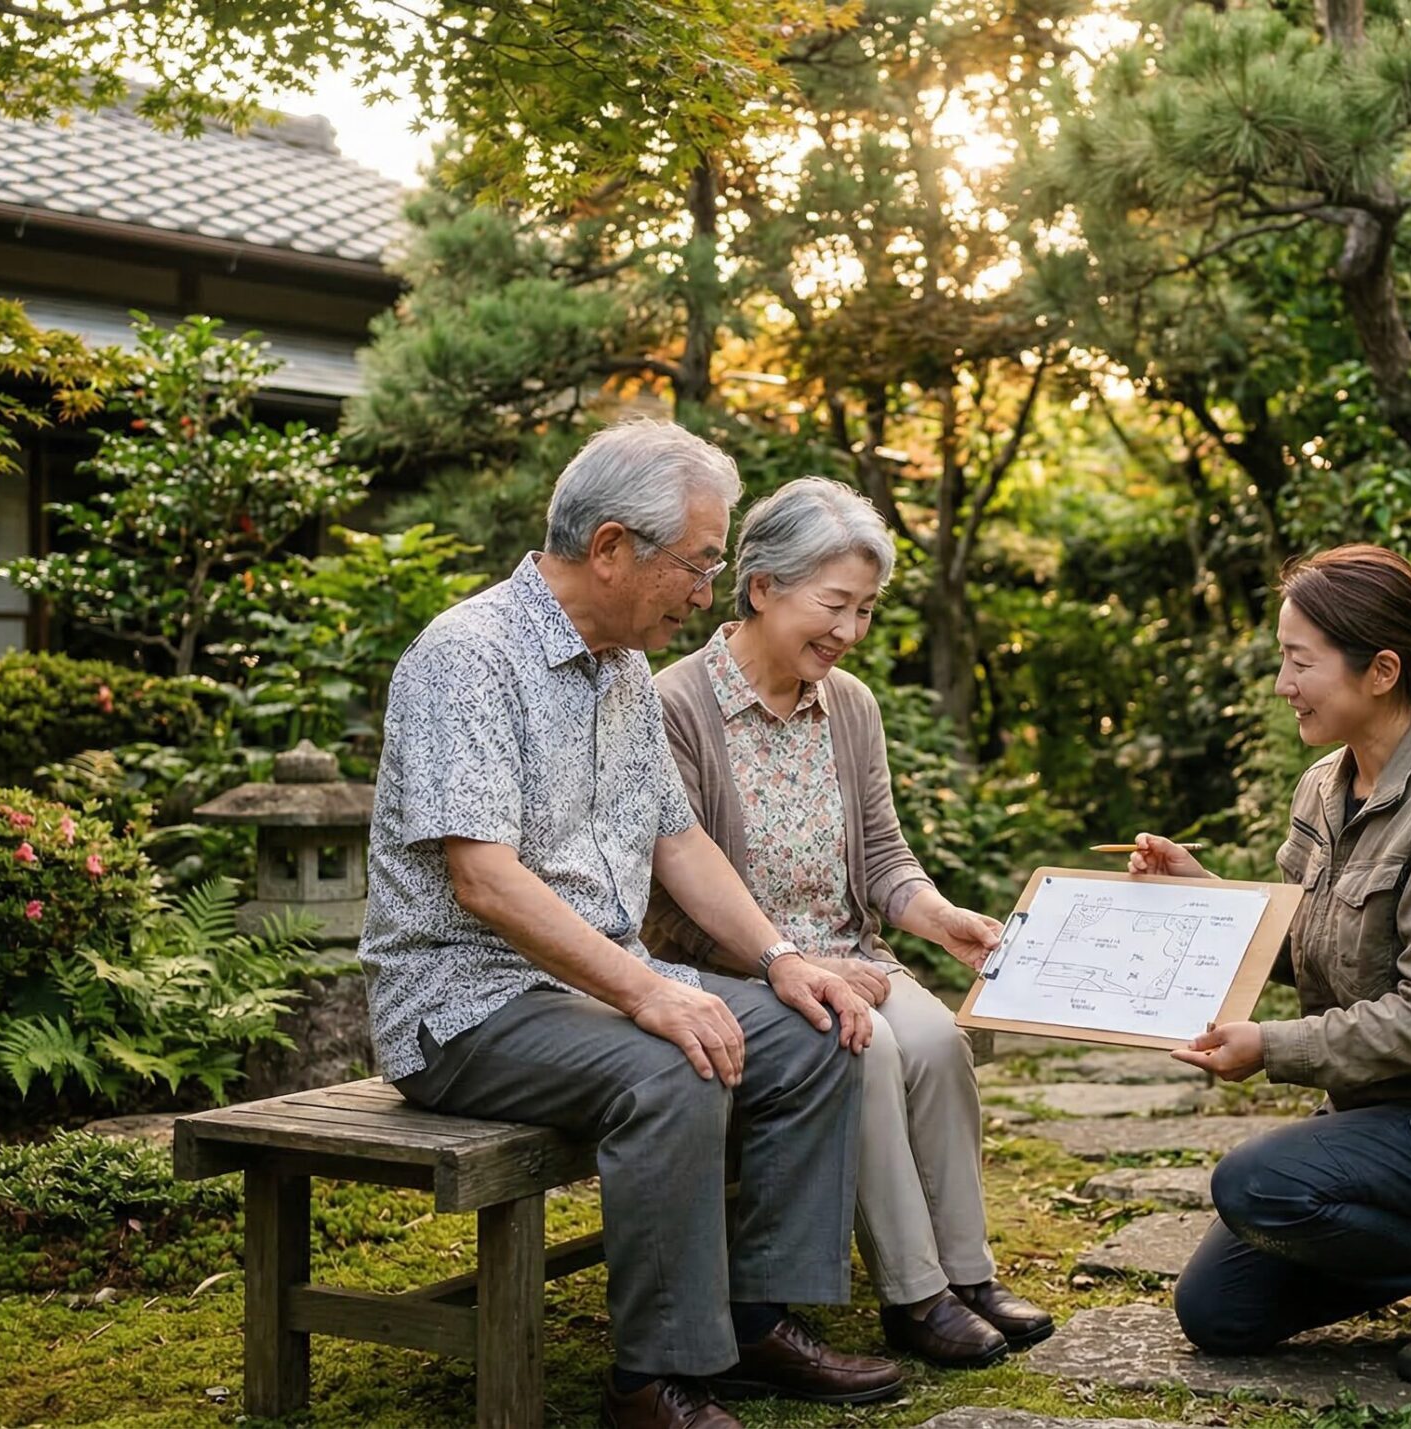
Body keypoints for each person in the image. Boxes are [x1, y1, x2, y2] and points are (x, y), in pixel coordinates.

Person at [359, 422, 899, 1429]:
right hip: (466, 1004)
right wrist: (650, 989)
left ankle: (752, 1326)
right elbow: (482, 881)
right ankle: (651, 1380)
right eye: (694, 564)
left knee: (818, 1029)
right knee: (676, 1060)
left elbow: (678, 841)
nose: (707, 591)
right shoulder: (467, 658)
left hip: (591, 987)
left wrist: (781, 959)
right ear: (611, 547)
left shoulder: (618, 670)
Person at [644, 477, 1053, 1368]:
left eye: (866, 610)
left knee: (940, 1041)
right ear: (762, 588)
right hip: (743, 971)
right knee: (863, 1049)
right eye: (835, 606)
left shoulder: (850, 705)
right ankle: (913, 1295)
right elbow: (668, 900)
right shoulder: (674, 705)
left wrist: (941, 920)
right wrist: (783, 964)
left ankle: (965, 1270)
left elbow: (882, 859)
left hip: (851, 954)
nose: (850, 632)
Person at [1128, 544, 1411, 1384]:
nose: (1284, 683)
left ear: (1381, 669)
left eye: (1299, 662)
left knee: (1256, 1183)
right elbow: (1306, 939)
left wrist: (1271, 1047)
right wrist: (1204, 893)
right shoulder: (1326, 783)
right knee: (1218, 1312)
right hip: (1375, 1120)